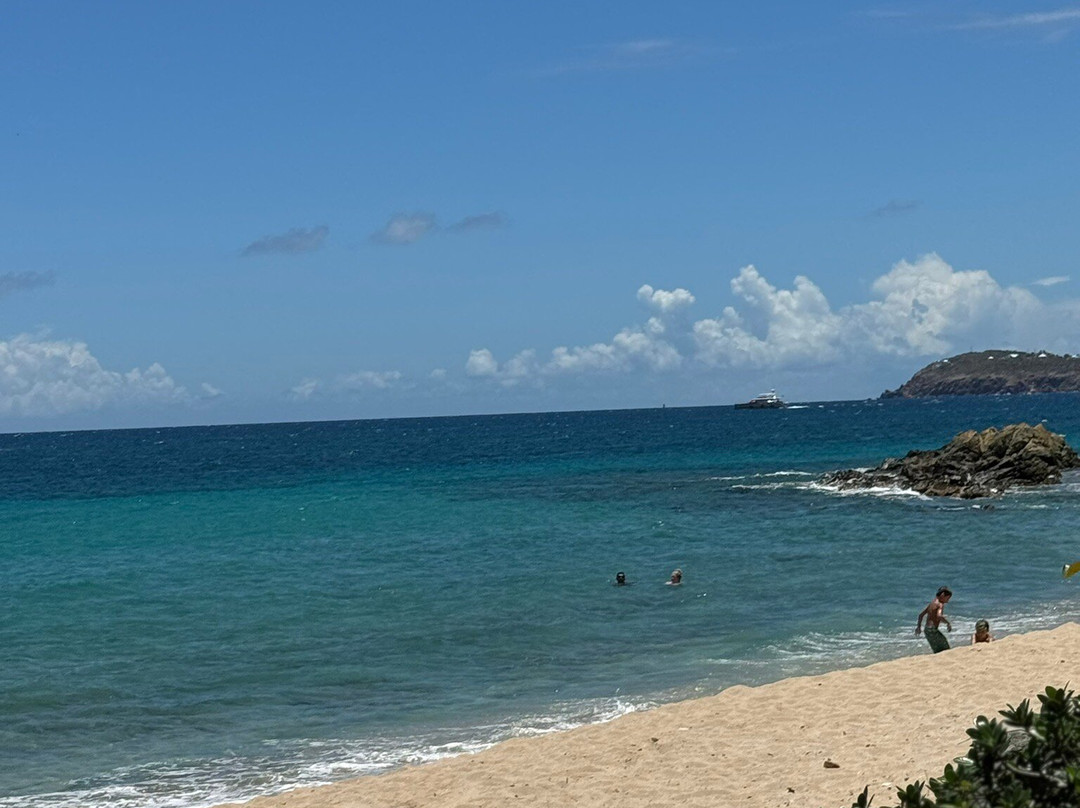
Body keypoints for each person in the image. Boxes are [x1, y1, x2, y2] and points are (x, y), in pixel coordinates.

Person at [915, 586, 953, 653]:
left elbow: (921, 615)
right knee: (945, 647)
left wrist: (918, 627)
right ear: (943, 595)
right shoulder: (940, 604)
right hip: (933, 630)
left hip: (927, 630)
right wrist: (948, 623)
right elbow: (939, 616)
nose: (947, 601)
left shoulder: (932, 604)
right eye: (947, 598)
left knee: (937, 649)